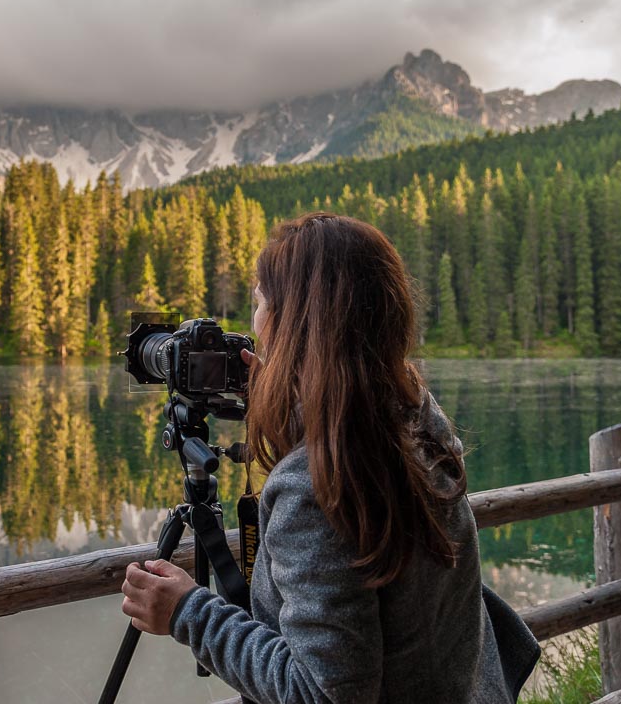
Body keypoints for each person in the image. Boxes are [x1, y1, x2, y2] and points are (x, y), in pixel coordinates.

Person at [120, 212, 539, 703]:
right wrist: (289, 403)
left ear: (294, 323)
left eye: (259, 302)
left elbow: (323, 693)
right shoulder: (415, 418)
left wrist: (189, 611)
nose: (253, 324)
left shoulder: (317, 487)